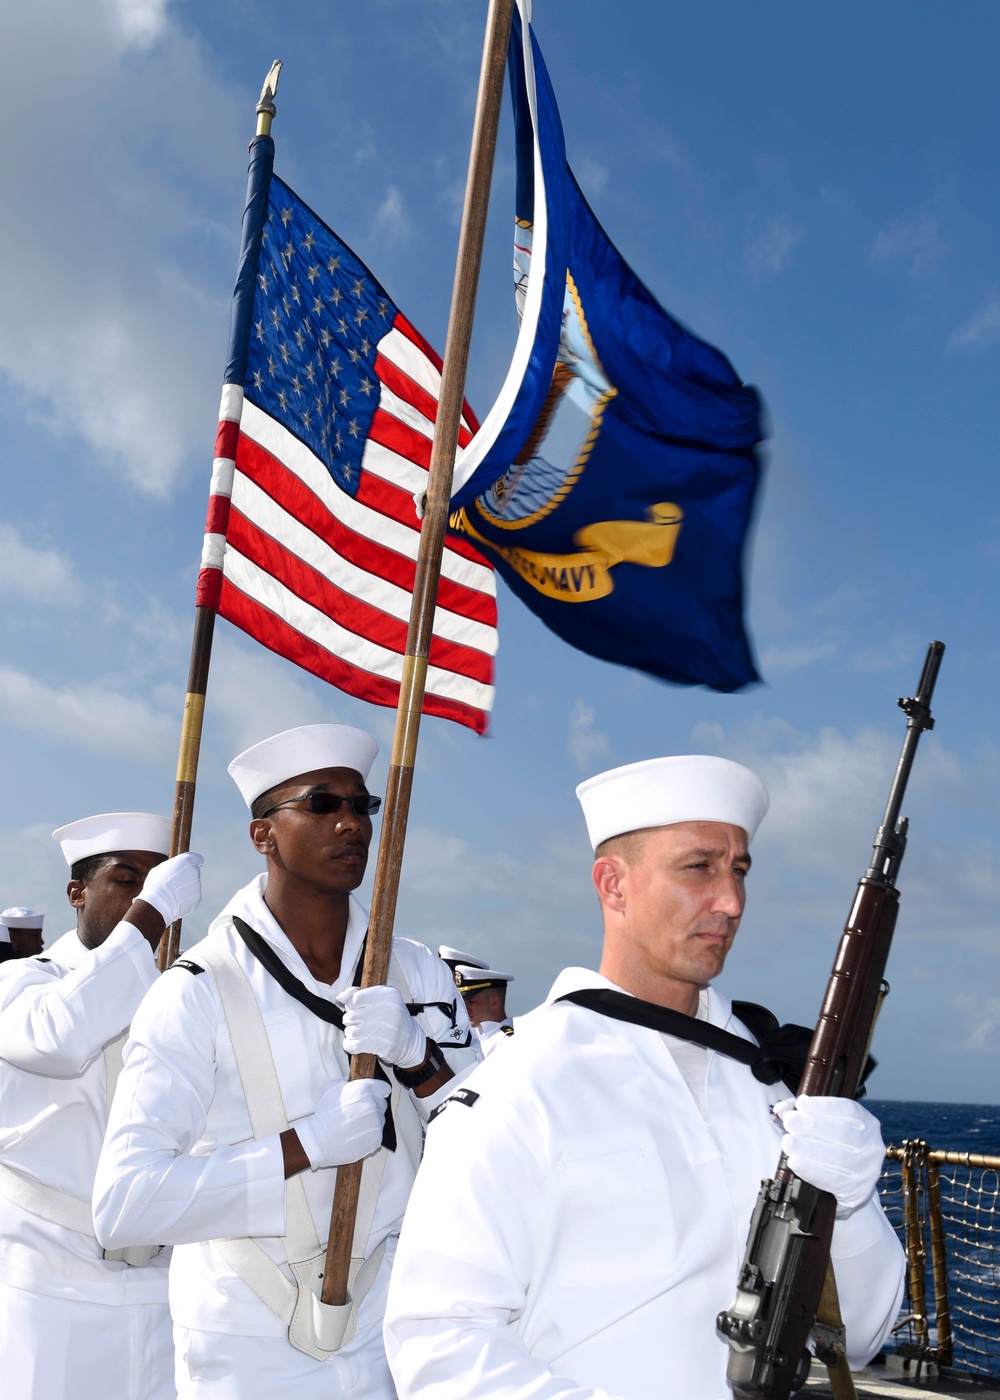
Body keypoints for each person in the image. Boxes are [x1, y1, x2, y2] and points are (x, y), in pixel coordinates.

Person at [384, 754, 906, 1400]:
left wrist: (852, 1205)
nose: (731, 900)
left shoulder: (773, 1080)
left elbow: (862, 1334)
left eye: (739, 870)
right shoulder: (523, 1086)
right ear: (614, 885)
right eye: (699, 868)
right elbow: (440, 1346)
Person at [94, 723, 480, 1400]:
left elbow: (485, 1148)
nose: (350, 823)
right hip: (246, 1336)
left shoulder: (416, 972)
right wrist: (305, 1146)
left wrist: (419, 1062)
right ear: (263, 835)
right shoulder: (198, 988)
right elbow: (126, 1207)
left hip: (391, 1326)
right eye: (322, 804)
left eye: (363, 806)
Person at [0, 812, 203, 1400]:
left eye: (157, 883)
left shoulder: (178, 998)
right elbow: (61, 1036)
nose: (142, 895)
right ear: (75, 893)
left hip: (160, 1287)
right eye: (126, 880)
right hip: (42, 1289)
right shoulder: (23, 982)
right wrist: (152, 914)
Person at [452, 963, 515, 1053]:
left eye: (471, 1001)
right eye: (463, 1002)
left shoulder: (509, 1040)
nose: (465, 1008)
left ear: (494, 1002)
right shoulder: (470, 1035)